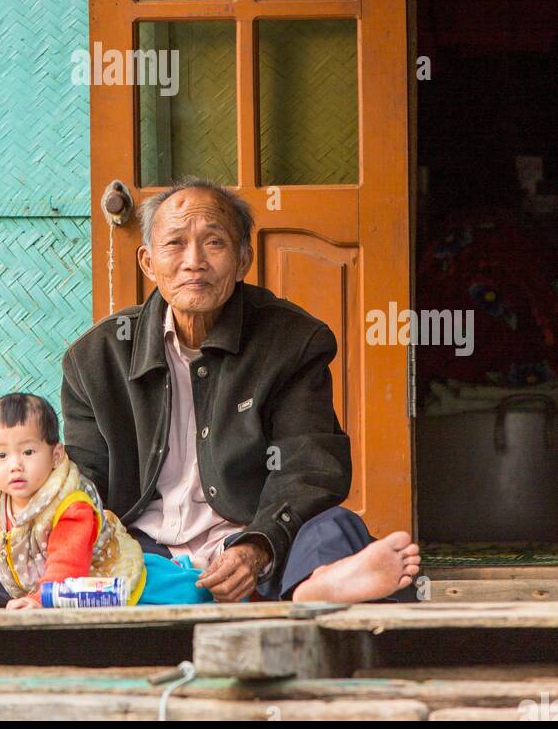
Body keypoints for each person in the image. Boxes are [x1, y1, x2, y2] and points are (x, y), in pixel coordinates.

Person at [60, 177, 421, 606]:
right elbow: (84, 486)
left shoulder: (291, 341)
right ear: (148, 262)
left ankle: (317, 583)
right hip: (142, 554)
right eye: (175, 244)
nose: (194, 262)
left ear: (243, 258)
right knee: (48, 547)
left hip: (255, 542)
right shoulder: (96, 359)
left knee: (335, 527)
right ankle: (300, 592)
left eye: (214, 243)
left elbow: (310, 466)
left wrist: (257, 546)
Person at [0, 392, 146, 609]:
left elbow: (67, 563)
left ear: (56, 455)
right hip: (43, 591)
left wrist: (42, 600)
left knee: (171, 589)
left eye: (28, 452)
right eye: (2, 455)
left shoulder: (71, 506)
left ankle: (181, 573)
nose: (15, 465)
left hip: (106, 582)